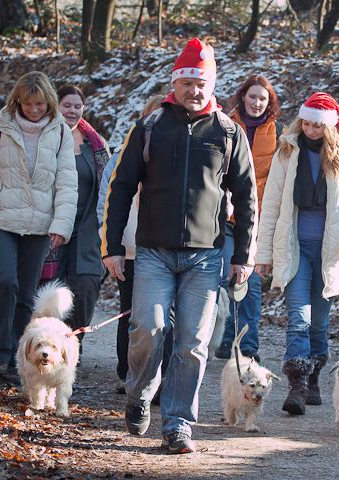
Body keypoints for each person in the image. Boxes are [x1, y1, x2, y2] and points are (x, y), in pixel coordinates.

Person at [101, 38, 257, 454]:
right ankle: (138, 395)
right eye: (188, 82)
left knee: (191, 343)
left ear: (212, 86)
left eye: (202, 82)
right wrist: (113, 246)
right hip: (152, 252)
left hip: (206, 256)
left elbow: (246, 198)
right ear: (176, 83)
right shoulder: (151, 126)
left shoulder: (228, 132)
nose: (195, 90)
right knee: (148, 330)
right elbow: (120, 188)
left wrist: (243, 256)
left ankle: (177, 424)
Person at [0, 71, 77, 385]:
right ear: (17, 101)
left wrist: (61, 224)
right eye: (27, 104)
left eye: (39, 104)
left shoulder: (60, 131)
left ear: (48, 103)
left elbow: (67, 183)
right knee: (5, 281)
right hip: (0, 218)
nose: (34, 110)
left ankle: (16, 358)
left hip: (38, 223)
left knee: (26, 293)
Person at [255, 92, 339, 415]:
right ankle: (296, 383)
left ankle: (315, 377)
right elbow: (273, 206)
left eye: (317, 125)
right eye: (305, 122)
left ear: (329, 127)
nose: (309, 129)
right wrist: (263, 255)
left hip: (330, 252)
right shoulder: (286, 151)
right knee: (298, 318)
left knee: (319, 323)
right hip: (293, 247)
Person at [97, 94, 168, 395]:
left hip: (164, 250)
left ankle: (158, 376)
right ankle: (126, 371)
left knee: (161, 318)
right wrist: (111, 246)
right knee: (130, 313)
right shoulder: (121, 156)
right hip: (130, 249)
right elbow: (107, 204)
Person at [214, 74, 282, 362]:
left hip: (258, 219)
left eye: (262, 99)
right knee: (223, 278)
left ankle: (247, 347)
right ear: (243, 97)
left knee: (249, 283)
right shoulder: (224, 126)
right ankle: (224, 337)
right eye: (252, 97)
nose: (256, 103)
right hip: (224, 216)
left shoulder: (278, 133)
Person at [52, 85, 109, 349]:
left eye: (77, 106)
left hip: (86, 227)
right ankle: (49, 348)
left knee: (85, 287)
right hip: (49, 226)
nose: (72, 111)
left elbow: (108, 185)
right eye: (67, 105)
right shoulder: (44, 139)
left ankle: (73, 347)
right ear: (56, 106)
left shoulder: (94, 144)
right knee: (52, 291)